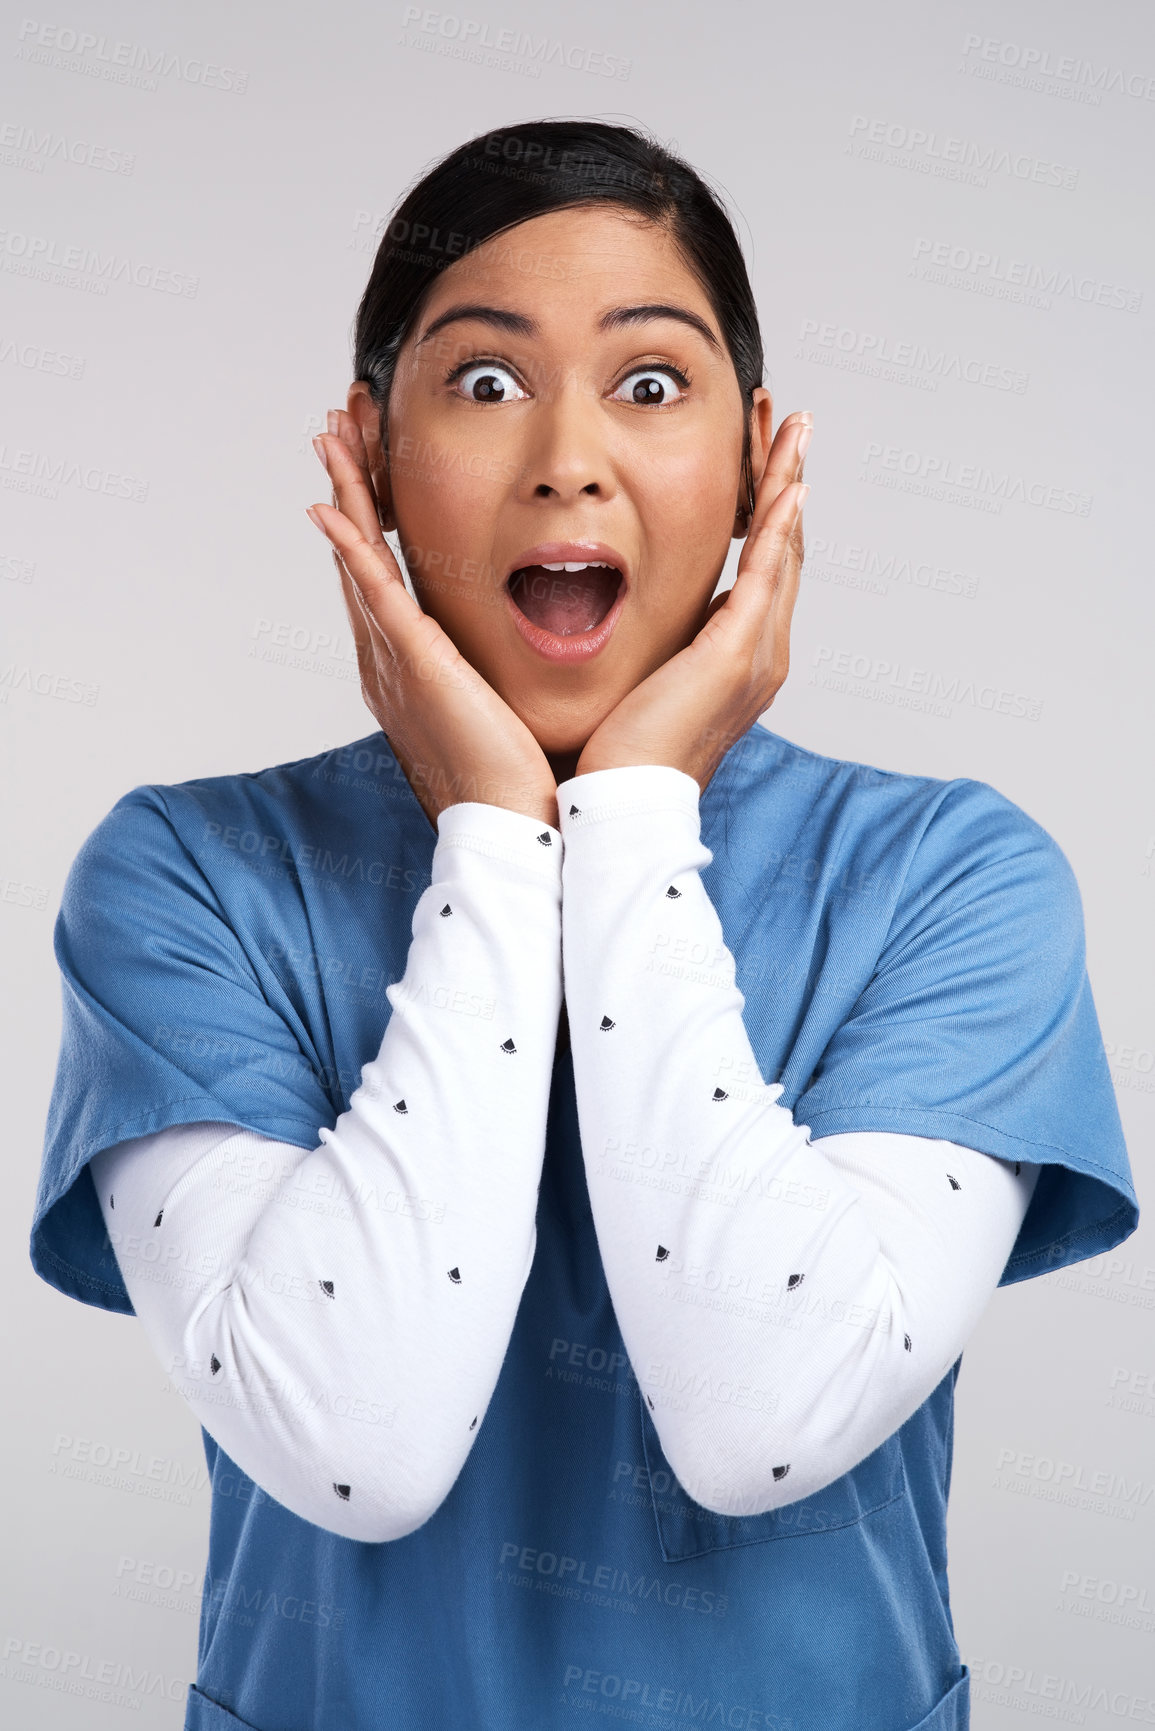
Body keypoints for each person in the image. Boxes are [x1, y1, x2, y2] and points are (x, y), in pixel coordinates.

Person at [31, 120, 1137, 1731]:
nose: (567, 455)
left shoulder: (954, 879)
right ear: (366, 452)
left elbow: (761, 1418)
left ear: (762, 457)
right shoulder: (188, 875)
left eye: (650, 383)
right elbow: (357, 1445)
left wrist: (623, 818)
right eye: (483, 384)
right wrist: (493, 832)